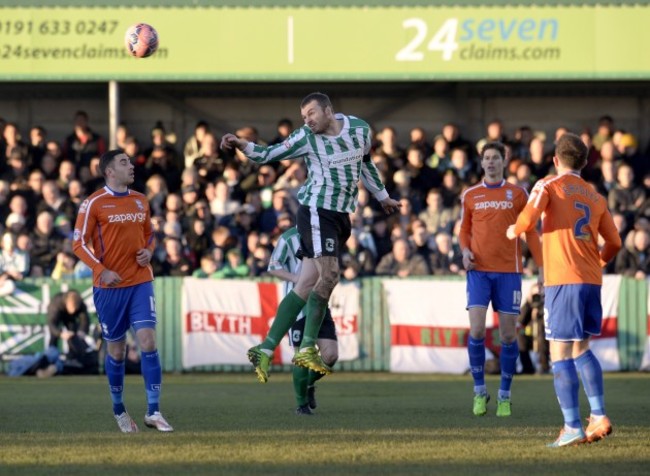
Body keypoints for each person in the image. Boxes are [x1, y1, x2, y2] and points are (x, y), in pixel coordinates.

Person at [220, 92, 400, 382]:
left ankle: (265, 349)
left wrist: (382, 196)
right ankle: (306, 347)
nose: (308, 120)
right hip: (317, 210)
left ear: (328, 110)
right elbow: (269, 155)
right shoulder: (305, 137)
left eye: (312, 114)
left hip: (341, 215)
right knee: (329, 276)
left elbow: (365, 163)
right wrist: (243, 145)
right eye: (304, 116)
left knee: (306, 283)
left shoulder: (361, 130)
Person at [506, 132, 622, 447]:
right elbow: (615, 242)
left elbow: (529, 218)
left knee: (559, 352)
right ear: (584, 163)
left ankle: (572, 426)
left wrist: (514, 228)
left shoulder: (549, 184)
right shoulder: (595, 196)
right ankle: (598, 415)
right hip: (590, 280)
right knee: (582, 348)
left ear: (555, 160)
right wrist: (599, 261)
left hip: (563, 279)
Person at [72, 149, 173, 433]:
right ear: (109, 171)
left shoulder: (141, 200)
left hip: (140, 281)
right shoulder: (93, 203)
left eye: (130, 161)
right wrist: (101, 269)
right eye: (124, 162)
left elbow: (150, 235)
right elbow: (78, 244)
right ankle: (119, 409)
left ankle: (154, 410)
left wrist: (148, 251)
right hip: (109, 287)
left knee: (148, 341)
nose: (131, 166)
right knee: (116, 351)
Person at [459, 141, 543, 418]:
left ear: (504, 161)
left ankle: (505, 395)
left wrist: (540, 265)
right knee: (477, 331)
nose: (492, 162)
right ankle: (479, 391)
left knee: (508, 335)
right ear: (481, 163)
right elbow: (464, 231)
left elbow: (530, 231)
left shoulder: (519, 193)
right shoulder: (471, 195)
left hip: (509, 272)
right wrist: (465, 251)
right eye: (487, 158)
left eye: (496, 157)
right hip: (479, 272)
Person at [268, 225, 338, 415]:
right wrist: (298, 279)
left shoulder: (326, 233)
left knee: (330, 356)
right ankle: (302, 405)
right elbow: (273, 266)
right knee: (302, 356)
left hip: (319, 303)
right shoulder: (288, 237)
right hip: (297, 307)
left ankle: (307, 384)